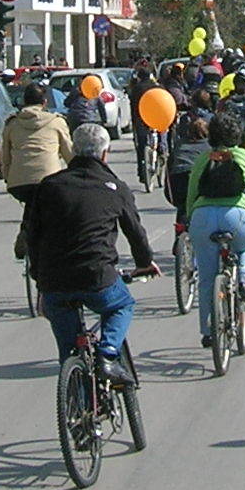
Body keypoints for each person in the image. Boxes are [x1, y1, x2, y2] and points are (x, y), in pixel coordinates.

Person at [21, 125, 158, 387]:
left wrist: (40, 281)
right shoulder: (115, 188)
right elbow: (136, 234)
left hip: (54, 283)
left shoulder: (48, 186)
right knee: (122, 305)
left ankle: (77, 411)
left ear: (73, 150)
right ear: (104, 154)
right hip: (97, 279)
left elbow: (33, 237)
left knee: (69, 351)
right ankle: (107, 355)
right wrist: (144, 263)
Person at [184, 111, 245, 349]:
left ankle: (208, 330)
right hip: (236, 218)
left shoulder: (203, 159)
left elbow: (192, 192)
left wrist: (190, 217)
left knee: (206, 278)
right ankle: (244, 277)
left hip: (203, 217)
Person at [0, 82, 71, 214]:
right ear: (45, 102)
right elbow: (69, 154)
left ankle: (27, 232)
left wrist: (8, 177)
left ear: (24, 101)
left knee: (30, 211)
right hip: (50, 181)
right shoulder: (56, 122)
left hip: (18, 183)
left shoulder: (12, 124)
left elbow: (5, 157)